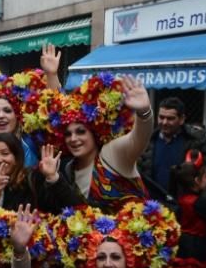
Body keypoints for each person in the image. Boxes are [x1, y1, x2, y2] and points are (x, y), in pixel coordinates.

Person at [51, 73, 153, 214]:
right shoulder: (69, 168)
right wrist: (51, 74)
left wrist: (144, 112)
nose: (73, 139)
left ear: (95, 133)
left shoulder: (111, 153)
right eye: (68, 134)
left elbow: (139, 138)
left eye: (81, 132)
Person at [138, 96, 206, 201]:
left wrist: (199, 205)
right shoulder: (148, 141)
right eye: (161, 117)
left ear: (182, 119)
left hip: (186, 212)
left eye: (170, 118)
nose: (164, 122)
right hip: (153, 208)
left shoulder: (198, 141)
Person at [0, 134, 83, 213]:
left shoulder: (34, 178)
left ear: (17, 157)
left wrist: (53, 177)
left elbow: (75, 208)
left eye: (5, 153)